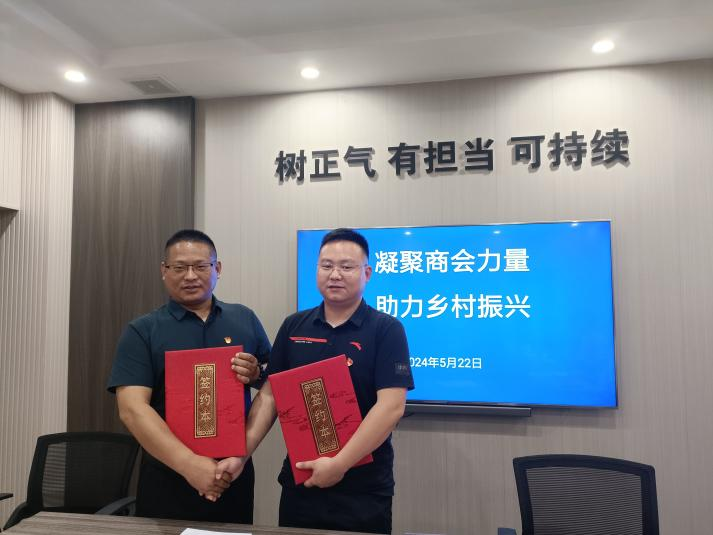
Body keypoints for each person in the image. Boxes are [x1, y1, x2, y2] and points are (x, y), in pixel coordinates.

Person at [218, 228, 414, 534]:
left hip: (363, 490)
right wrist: (241, 456)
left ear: (367, 273)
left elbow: (391, 407)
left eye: (346, 266)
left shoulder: (386, 329)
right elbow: (270, 397)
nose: (335, 274)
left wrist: (339, 464)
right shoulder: (294, 326)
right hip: (302, 482)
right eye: (326, 265)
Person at [107, 229, 270, 522]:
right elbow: (132, 409)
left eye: (200, 266)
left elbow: (271, 381)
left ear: (217, 268)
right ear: (164, 270)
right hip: (168, 477)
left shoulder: (244, 319)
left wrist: (256, 372)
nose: (190, 276)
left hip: (233, 472)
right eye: (180, 267)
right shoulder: (142, 331)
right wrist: (190, 465)